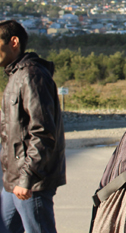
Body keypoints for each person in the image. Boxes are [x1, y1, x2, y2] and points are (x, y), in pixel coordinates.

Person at [0, 20, 66, 233]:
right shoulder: (16, 76)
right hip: (13, 179)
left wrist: (27, 178)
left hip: (30, 181)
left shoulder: (31, 75)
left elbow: (43, 132)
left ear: (14, 42)